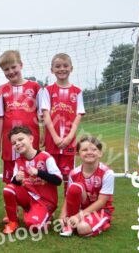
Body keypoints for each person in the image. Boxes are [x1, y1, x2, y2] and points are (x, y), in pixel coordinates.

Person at [2, 126, 62, 234]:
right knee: (8, 189)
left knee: (33, 227)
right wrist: (16, 179)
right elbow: (13, 185)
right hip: (28, 199)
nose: (17, 144)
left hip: (45, 201)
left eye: (20, 139)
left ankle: (44, 215)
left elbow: (58, 180)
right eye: (14, 143)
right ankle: (13, 222)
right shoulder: (18, 161)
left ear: (31, 139)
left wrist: (39, 173)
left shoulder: (45, 157)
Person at [41, 53, 85, 195]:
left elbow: (78, 115)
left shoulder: (77, 91)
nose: (62, 69)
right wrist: (55, 137)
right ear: (52, 69)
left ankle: (68, 209)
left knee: (68, 176)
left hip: (69, 142)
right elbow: (46, 115)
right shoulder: (47, 90)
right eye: (58, 66)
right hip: (51, 141)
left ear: (71, 68)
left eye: (65, 66)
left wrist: (69, 137)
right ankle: (48, 207)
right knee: (50, 177)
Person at [0, 50, 43, 185]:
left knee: (30, 171)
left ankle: (30, 203)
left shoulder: (35, 87)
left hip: (30, 138)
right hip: (8, 141)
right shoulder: (0, 90)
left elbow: (43, 115)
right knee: (11, 178)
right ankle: (11, 204)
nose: (11, 71)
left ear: (21, 65)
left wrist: (44, 134)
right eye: (6, 69)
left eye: (13, 67)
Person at [59, 136, 114, 237]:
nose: (89, 152)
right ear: (78, 154)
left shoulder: (107, 173)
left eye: (94, 149)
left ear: (100, 153)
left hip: (100, 210)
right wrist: (62, 216)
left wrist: (78, 216)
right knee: (75, 187)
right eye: (84, 149)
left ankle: (104, 222)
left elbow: (102, 202)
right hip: (81, 210)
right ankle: (70, 223)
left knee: (82, 228)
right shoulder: (74, 173)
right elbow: (68, 198)